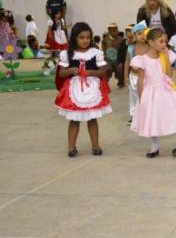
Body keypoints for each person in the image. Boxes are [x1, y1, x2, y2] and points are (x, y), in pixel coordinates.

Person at [130, 28, 176, 158]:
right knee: (153, 119)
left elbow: (168, 75)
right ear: (151, 42)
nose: (164, 44)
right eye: (161, 41)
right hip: (151, 93)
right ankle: (154, 146)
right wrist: (141, 99)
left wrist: (167, 57)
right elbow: (140, 79)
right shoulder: (142, 59)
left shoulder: (166, 55)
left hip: (167, 91)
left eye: (165, 41)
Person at [54, 22, 112, 157]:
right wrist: (70, 70)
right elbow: (61, 73)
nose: (85, 40)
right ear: (74, 38)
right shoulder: (67, 54)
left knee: (92, 119)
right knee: (74, 120)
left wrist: (87, 72)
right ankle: (71, 147)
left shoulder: (96, 52)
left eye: (88, 37)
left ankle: (96, 146)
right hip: (74, 89)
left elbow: (103, 72)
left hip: (92, 88)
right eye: (81, 37)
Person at [124, 21, 149, 124]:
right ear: (134, 36)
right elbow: (127, 62)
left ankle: (147, 115)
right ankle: (134, 116)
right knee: (134, 97)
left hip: (147, 77)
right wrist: (125, 76)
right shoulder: (131, 48)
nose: (142, 36)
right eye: (139, 34)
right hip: (134, 76)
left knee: (146, 96)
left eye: (144, 33)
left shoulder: (150, 47)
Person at [101, 23, 125, 88]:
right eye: (111, 30)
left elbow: (123, 49)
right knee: (107, 69)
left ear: (117, 30)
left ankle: (120, 83)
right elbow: (103, 48)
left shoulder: (121, 39)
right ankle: (105, 83)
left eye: (114, 30)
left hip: (118, 58)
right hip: (108, 58)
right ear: (109, 31)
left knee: (120, 70)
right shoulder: (105, 39)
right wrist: (104, 56)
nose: (113, 32)